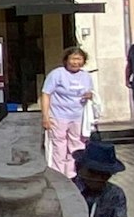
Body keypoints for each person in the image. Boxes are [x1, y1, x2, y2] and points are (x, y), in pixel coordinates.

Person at [41, 46, 97, 175]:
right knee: (58, 148)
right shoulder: (57, 74)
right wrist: (45, 117)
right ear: (66, 60)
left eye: (79, 59)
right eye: (73, 59)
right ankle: (58, 177)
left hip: (78, 117)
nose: (75, 62)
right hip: (58, 116)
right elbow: (46, 94)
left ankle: (73, 175)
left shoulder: (86, 76)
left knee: (76, 147)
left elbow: (91, 93)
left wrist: (90, 95)